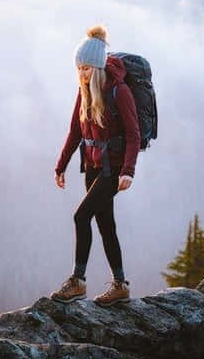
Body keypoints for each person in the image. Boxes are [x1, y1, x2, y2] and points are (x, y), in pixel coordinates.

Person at [51, 24, 140, 306]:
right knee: (105, 224)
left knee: (81, 216)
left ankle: (77, 281)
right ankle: (120, 285)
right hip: (91, 166)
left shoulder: (119, 92)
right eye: (79, 68)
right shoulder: (84, 93)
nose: (82, 73)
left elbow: (134, 134)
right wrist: (61, 166)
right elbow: (74, 132)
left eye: (87, 68)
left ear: (98, 66)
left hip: (112, 169)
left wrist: (128, 172)